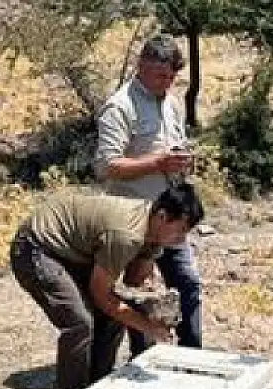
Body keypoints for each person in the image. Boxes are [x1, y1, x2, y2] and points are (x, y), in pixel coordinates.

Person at [10, 184, 204, 389]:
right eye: (181, 230)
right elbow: (103, 296)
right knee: (79, 324)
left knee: (112, 319)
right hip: (37, 247)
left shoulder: (152, 234)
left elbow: (133, 282)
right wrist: (147, 327)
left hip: (70, 250)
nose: (183, 239)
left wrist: (153, 301)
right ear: (163, 217)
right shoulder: (126, 234)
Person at [95, 33, 202, 354]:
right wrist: (157, 162)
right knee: (137, 292)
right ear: (140, 65)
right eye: (159, 75)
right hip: (134, 220)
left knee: (187, 283)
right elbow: (106, 165)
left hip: (171, 217)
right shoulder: (120, 107)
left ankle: (190, 356)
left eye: (171, 77)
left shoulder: (170, 102)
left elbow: (172, 149)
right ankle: (144, 357)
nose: (166, 82)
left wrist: (181, 162)